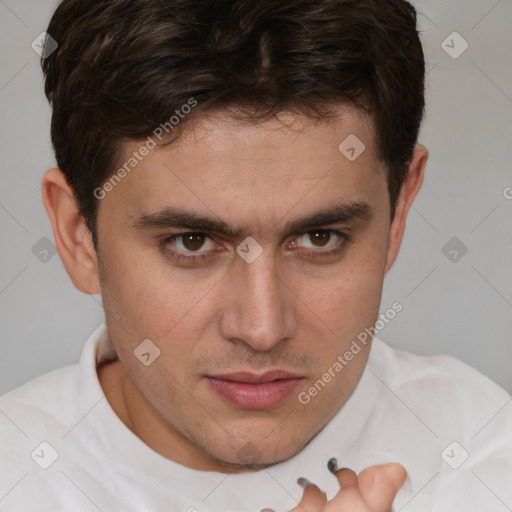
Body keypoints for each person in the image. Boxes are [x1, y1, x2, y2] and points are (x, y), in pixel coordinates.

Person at [0, 0, 510, 510]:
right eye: (192, 242)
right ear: (77, 235)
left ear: (397, 212)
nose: (262, 329)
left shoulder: (483, 456)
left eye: (319, 238)